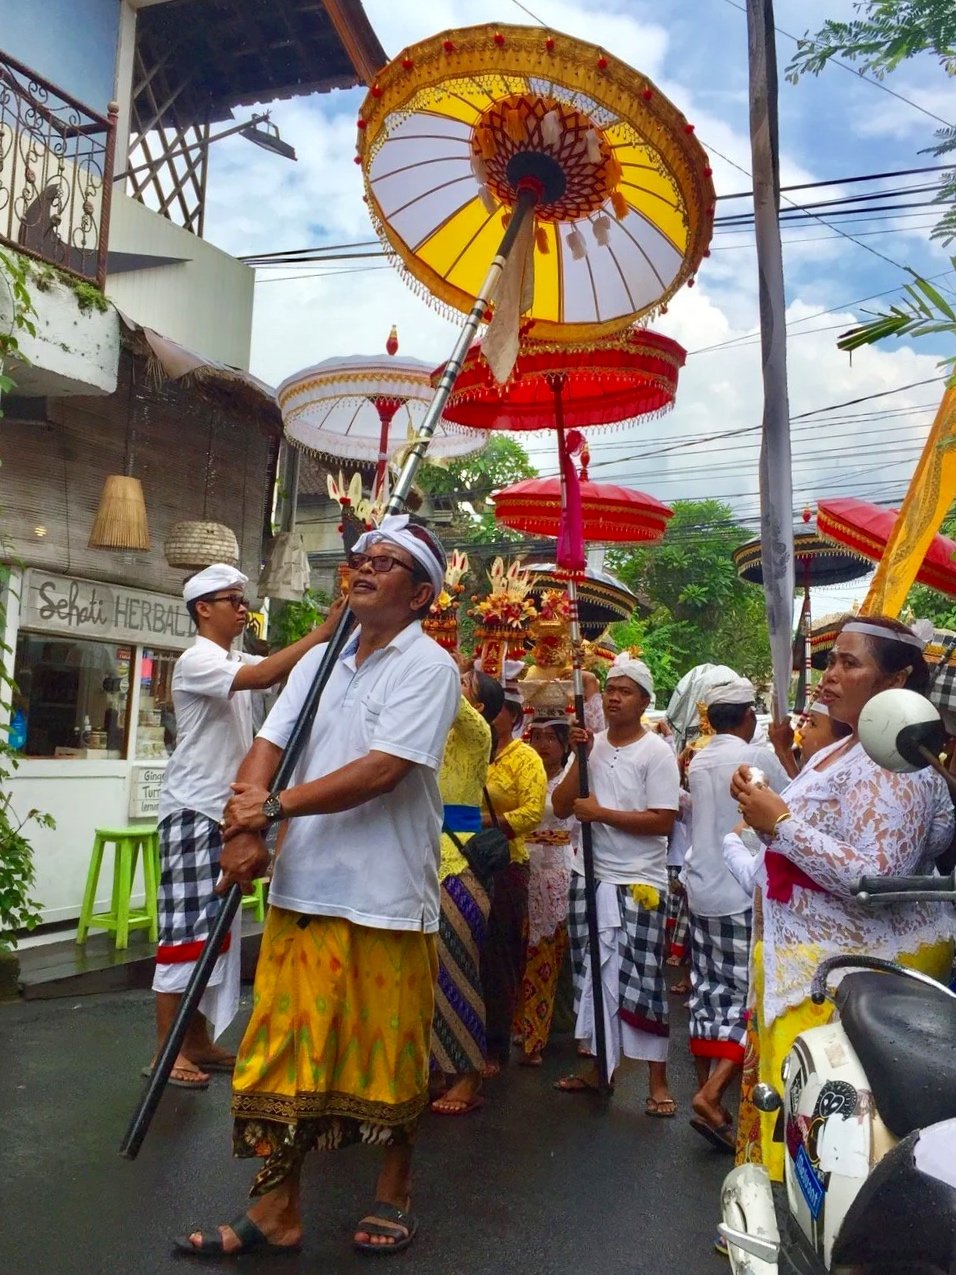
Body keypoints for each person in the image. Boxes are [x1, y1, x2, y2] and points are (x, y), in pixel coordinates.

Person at [174, 516, 459, 1258]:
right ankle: (275, 1209)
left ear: (420, 592)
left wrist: (272, 809)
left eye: (387, 562)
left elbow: (383, 769)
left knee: (387, 1053)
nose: (364, 568)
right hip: (303, 890)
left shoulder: (430, 667)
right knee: (278, 1052)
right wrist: (245, 828)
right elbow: (268, 745)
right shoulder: (318, 660)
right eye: (363, 557)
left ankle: (392, 1190)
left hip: (387, 897)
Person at [731, 615, 955, 1177]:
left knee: (821, 1144)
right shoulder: (847, 746)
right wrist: (768, 815)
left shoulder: (895, 760)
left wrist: (780, 823)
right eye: (830, 661)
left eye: (848, 663)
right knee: (786, 1111)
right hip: (809, 962)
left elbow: (877, 879)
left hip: (844, 976)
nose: (828, 675)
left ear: (897, 679)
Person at [148, 564, 339, 1090]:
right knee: (186, 930)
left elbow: (281, 669)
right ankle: (167, 1051)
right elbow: (266, 675)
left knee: (217, 929)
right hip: (193, 809)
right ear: (202, 610)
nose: (240, 606)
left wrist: (333, 636)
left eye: (241, 598)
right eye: (229, 599)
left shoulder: (231, 657)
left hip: (225, 812)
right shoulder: (196, 659)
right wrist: (324, 631)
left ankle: (199, 1042)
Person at [552, 652, 681, 1113]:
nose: (613, 698)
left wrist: (602, 814)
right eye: (609, 690)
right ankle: (596, 1068)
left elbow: (663, 821)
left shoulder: (657, 752)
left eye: (624, 691)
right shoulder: (593, 745)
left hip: (639, 880)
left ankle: (658, 1083)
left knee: (642, 978)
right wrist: (579, 757)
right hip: (590, 875)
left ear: (644, 701)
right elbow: (565, 806)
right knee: (590, 975)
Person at [682, 675, 789, 1152]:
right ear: (748, 717)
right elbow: (791, 805)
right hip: (737, 888)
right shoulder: (758, 755)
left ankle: (710, 1095)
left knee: (709, 992)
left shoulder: (701, 756)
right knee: (745, 997)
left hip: (701, 889)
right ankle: (710, 1095)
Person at [430, 668, 504, 1115]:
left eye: (464, 686)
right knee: (426, 975)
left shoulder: (477, 737)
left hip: (457, 867)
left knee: (455, 970)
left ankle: (467, 1072)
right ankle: (436, 1067)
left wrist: (438, 666)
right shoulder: (431, 736)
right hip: (421, 862)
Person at [479, 692, 547, 1077]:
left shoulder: (524, 758)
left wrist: (481, 824)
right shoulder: (470, 749)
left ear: (513, 715)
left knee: (497, 956)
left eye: (494, 707)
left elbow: (532, 813)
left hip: (504, 862)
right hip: (460, 857)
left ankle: (495, 1046)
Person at [513, 717, 577, 1066]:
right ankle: (523, 1024)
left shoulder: (571, 776)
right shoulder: (523, 769)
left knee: (548, 955)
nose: (543, 744)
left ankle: (538, 1035)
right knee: (521, 951)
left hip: (557, 870)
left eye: (552, 737)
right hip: (524, 865)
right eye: (537, 736)